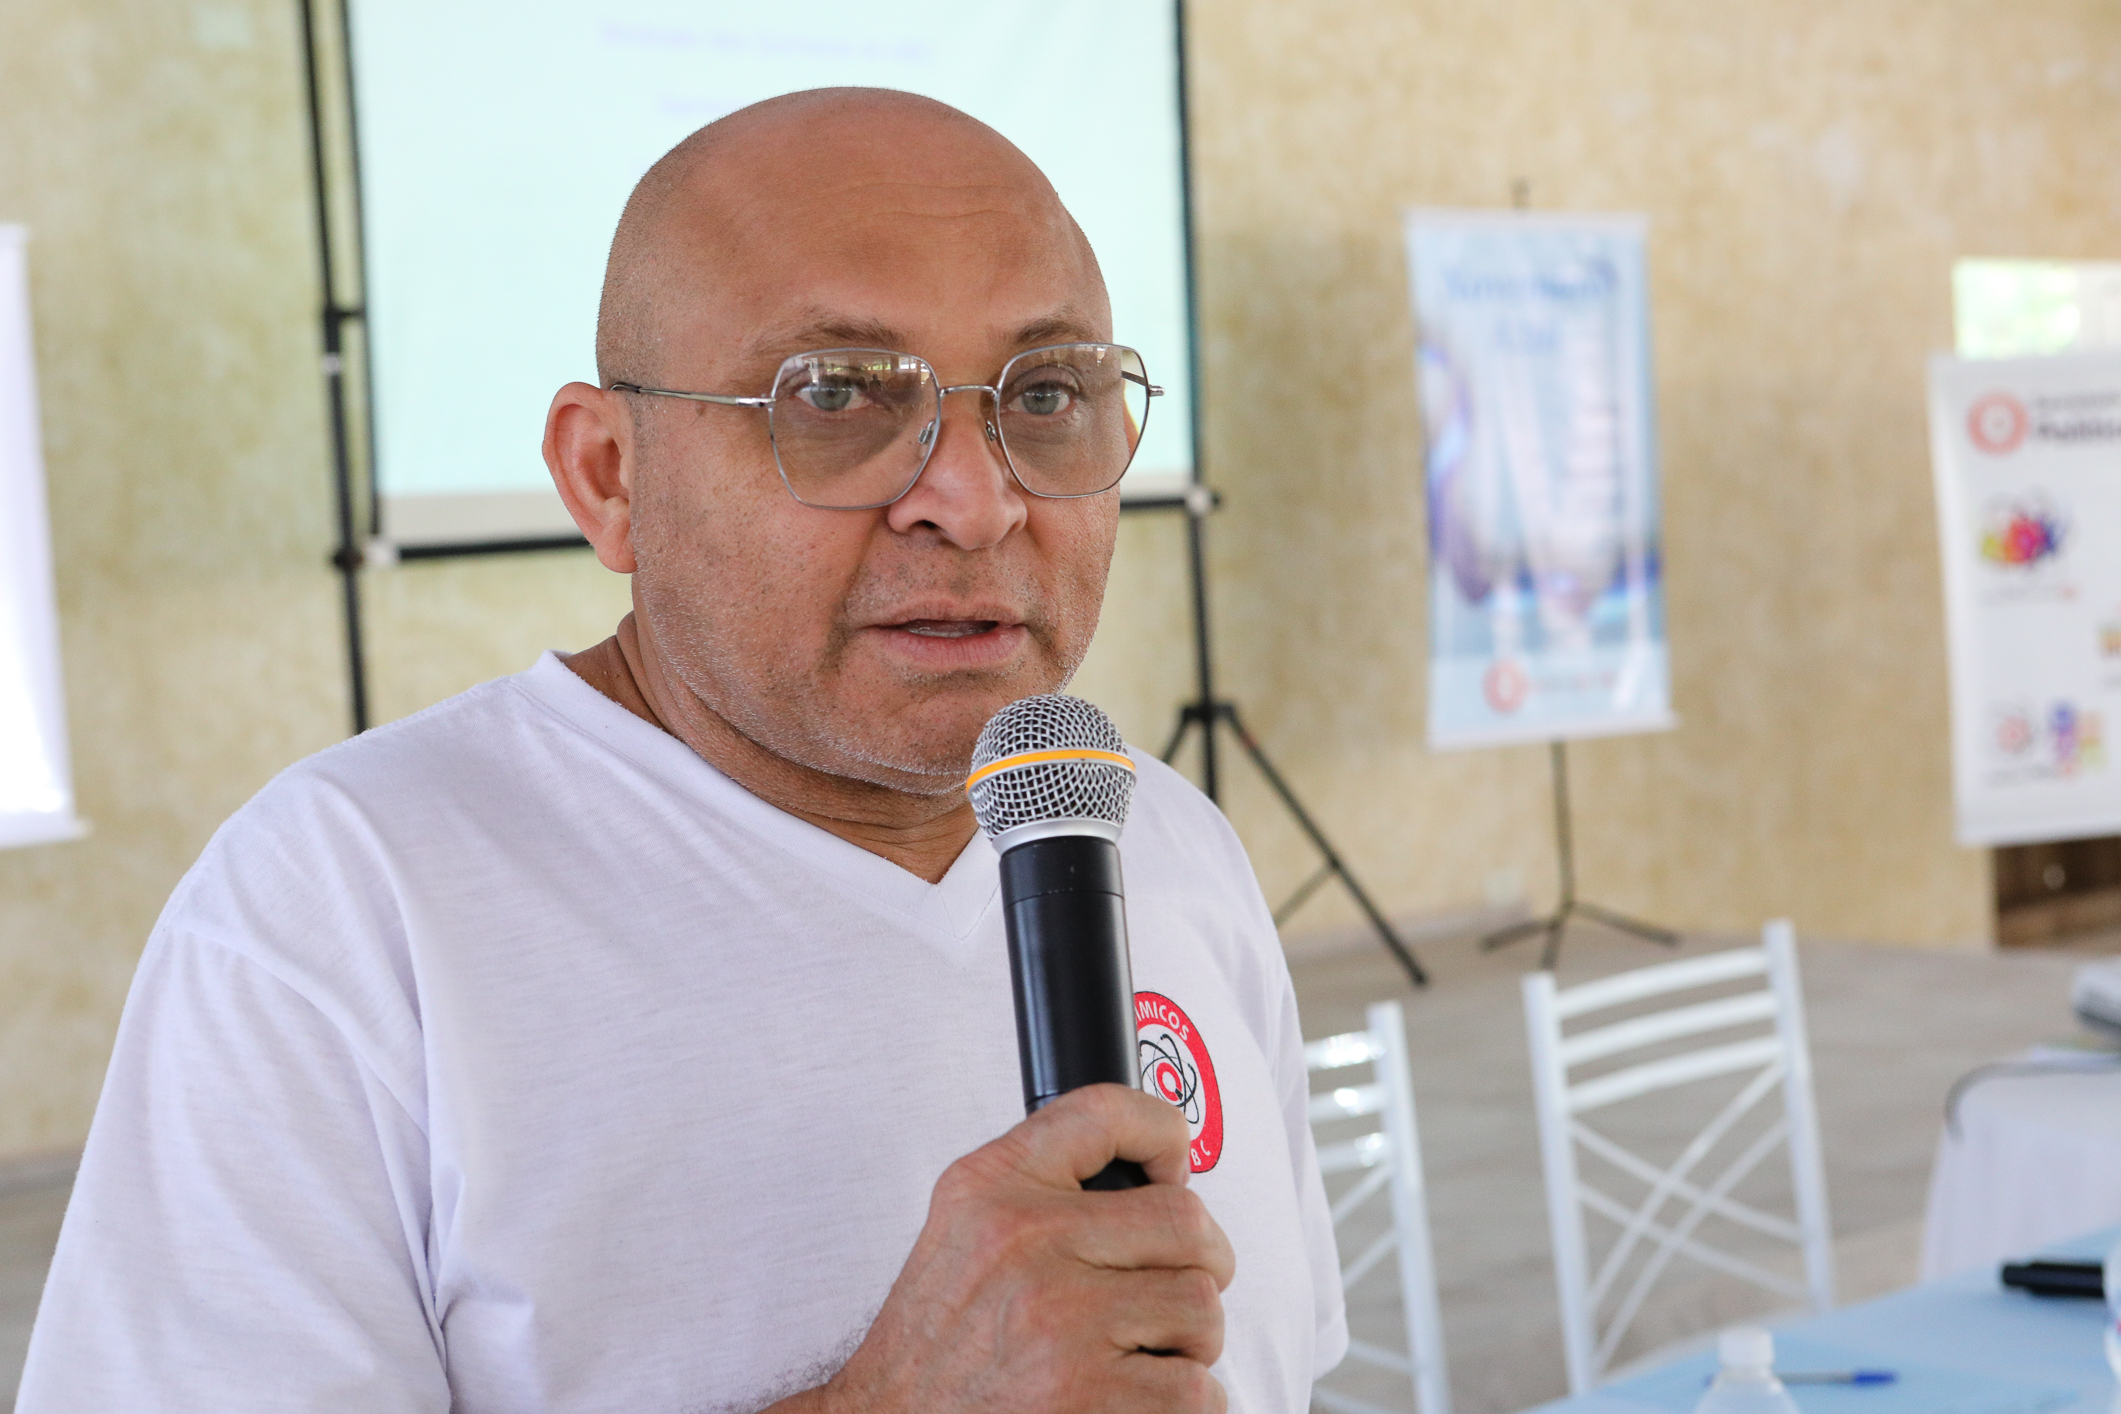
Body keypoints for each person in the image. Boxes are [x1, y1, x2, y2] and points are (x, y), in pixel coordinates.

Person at [17, 88, 1345, 1413]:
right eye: (832, 394)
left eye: (1046, 393)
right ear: (609, 476)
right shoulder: (339, 909)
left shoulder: (1162, 838)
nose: (975, 498)